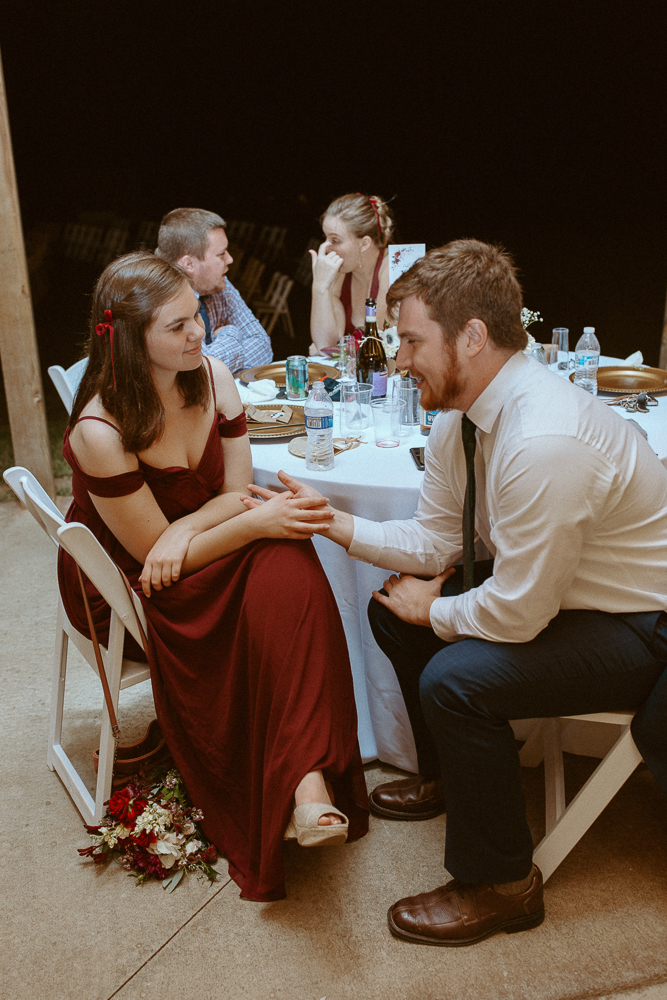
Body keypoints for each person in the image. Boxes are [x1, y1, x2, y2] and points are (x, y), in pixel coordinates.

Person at [249, 239, 667, 943]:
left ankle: (502, 884)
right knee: (394, 612)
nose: (399, 360)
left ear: (472, 337)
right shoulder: (459, 418)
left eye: (412, 341)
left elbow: (518, 613)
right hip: (568, 594)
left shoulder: (543, 440)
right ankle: (453, 777)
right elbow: (436, 541)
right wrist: (335, 524)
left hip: (643, 620)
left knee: (455, 680)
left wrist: (437, 610)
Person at [58, 251, 369, 902]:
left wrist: (191, 526)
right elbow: (156, 560)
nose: (198, 332)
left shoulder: (214, 375)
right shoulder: (101, 430)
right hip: (133, 587)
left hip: (191, 548)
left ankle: (307, 784)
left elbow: (234, 494)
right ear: (130, 339)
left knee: (289, 558)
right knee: (278, 538)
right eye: (176, 326)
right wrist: (245, 525)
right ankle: (304, 780)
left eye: (196, 314)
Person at [155, 207, 273, 374]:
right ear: (189, 264)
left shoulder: (219, 284)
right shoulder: (163, 298)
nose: (230, 259)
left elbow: (263, 346)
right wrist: (230, 333)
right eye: (221, 254)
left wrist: (215, 358)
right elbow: (199, 372)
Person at [309, 193, 394, 355]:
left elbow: (379, 345)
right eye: (325, 238)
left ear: (364, 243)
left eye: (335, 240)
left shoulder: (392, 268)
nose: (325, 248)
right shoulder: (341, 270)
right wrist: (320, 287)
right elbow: (325, 345)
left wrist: (340, 350)